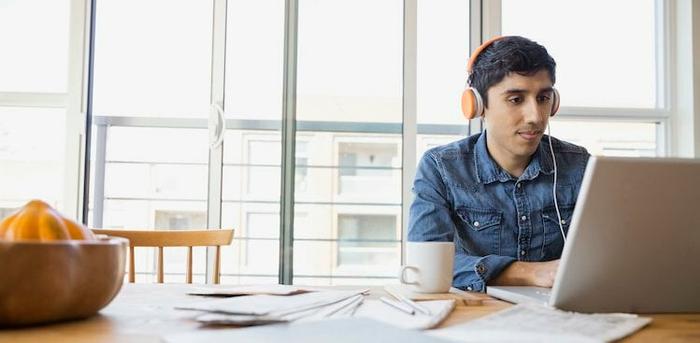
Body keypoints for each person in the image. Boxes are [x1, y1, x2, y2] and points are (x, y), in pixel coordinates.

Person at [408, 36, 590, 292]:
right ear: (478, 105)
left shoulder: (579, 165)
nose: (535, 117)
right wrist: (529, 273)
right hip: (475, 316)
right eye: (516, 99)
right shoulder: (441, 167)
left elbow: (606, 256)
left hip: (559, 316)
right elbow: (426, 266)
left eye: (543, 98)